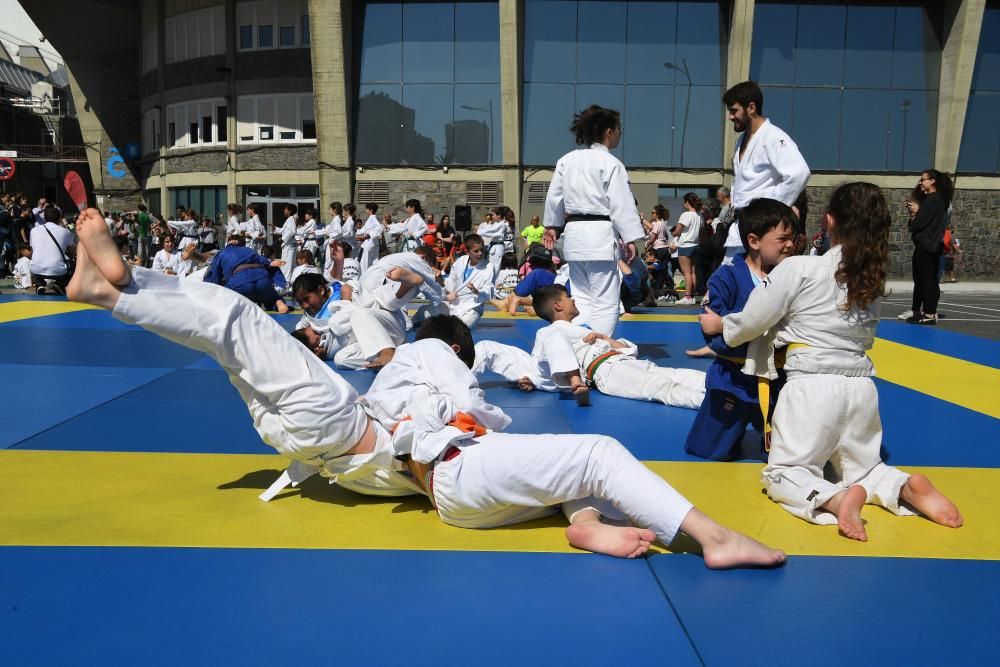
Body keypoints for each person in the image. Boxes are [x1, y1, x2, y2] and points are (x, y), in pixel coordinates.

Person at [64, 210, 786, 567]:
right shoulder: (437, 357)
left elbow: (477, 402)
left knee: (237, 330)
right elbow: (479, 400)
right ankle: (708, 537)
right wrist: (585, 519)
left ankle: (115, 290)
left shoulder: (427, 363)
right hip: (352, 443)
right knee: (236, 335)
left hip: (352, 442)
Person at [699, 182, 962, 541]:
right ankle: (901, 485)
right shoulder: (870, 279)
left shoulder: (799, 269)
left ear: (829, 221)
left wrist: (721, 326)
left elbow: (753, 320)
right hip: (861, 390)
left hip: (811, 387)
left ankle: (834, 499)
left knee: (784, 473)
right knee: (863, 468)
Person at [684, 198, 796, 461]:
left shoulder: (793, 276)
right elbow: (713, 336)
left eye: (793, 238)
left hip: (777, 382)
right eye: (782, 239)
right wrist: (753, 339)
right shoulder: (726, 277)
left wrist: (732, 327)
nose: (791, 245)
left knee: (785, 458)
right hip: (732, 380)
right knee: (707, 451)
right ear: (754, 241)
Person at [479, 284, 706, 410]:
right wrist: (529, 378)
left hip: (623, 361)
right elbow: (543, 367)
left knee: (678, 375)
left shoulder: (583, 330)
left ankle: (733, 390)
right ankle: (714, 405)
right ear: (558, 305)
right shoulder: (548, 332)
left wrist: (603, 337)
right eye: (569, 298)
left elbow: (628, 349)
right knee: (662, 388)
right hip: (603, 371)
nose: (574, 300)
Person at [542, 105, 644, 336]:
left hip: (574, 235)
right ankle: (598, 348)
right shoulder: (611, 164)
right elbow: (621, 203)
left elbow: (554, 197)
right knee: (606, 300)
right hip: (600, 234)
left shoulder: (566, 160)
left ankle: (578, 345)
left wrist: (551, 226)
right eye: (619, 129)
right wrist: (629, 238)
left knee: (581, 298)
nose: (619, 134)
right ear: (609, 132)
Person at [724, 81, 810, 211]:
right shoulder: (741, 139)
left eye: (734, 111)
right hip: (740, 220)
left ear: (751, 108)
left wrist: (770, 211)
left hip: (760, 222)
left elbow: (799, 173)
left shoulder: (773, 137)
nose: (730, 117)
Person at [903, 169, 954, 325]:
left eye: (923, 179)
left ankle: (930, 314)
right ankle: (918, 311)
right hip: (927, 245)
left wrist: (916, 213)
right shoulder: (935, 200)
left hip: (927, 245)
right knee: (921, 280)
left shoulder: (934, 200)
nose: (920, 182)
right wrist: (916, 213)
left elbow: (917, 224)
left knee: (927, 280)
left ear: (932, 181)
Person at [415, 234, 494, 329]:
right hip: (453, 303)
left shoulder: (489, 266)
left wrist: (477, 291)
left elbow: (489, 290)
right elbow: (451, 284)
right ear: (467, 251)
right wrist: (440, 279)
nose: (480, 253)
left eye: (482, 250)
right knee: (424, 312)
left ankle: (444, 324)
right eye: (476, 251)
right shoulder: (460, 261)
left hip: (471, 307)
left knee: (466, 324)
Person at [203, 233, 289, 313]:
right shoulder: (250, 250)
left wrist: (213, 289)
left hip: (240, 283)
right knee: (271, 296)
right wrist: (270, 263)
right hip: (262, 279)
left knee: (225, 295)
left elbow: (215, 275)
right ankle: (277, 301)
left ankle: (249, 301)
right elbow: (264, 261)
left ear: (228, 242)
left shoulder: (222, 253)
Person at [29, 207, 75, 294]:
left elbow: (33, 250)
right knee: (73, 263)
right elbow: (72, 254)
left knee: (35, 261)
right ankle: (60, 284)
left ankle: (39, 284)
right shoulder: (66, 232)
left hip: (36, 269)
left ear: (45, 218)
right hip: (58, 271)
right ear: (59, 218)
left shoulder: (34, 230)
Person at [671, 193, 703, 305]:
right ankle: (692, 296)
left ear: (687, 202)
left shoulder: (686, 215)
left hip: (685, 245)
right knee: (693, 272)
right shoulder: (699, 215)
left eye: (684, 202)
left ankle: (687, 297)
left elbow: (678, 230)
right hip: (696, 245)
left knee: (686, 272)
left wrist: (675, 233)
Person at [356, 203, 383, 273]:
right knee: (373, 261)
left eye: (366, 209)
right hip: (372, 242)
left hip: (370, 242)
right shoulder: (371, 218)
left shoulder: (372, 218)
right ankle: (373, 275)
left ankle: (365, 277)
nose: (365, 210)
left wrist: (370, 235)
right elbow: (364, 229)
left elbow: (380, 228)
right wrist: (355, 232)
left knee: (366, 262)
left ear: (370, 210)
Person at [278, 204, 299, 282]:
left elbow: (293, 231)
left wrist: (283, 238)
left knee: (286, 265)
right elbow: (284, 230)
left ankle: (286, 284)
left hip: (289, 245)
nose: (284, 211)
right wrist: (275, 229)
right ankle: (290, 283)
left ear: (289, 211)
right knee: (291, 265)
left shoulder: (291, 220)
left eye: (285, 209)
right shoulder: (290, 220)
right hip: (290, 245)